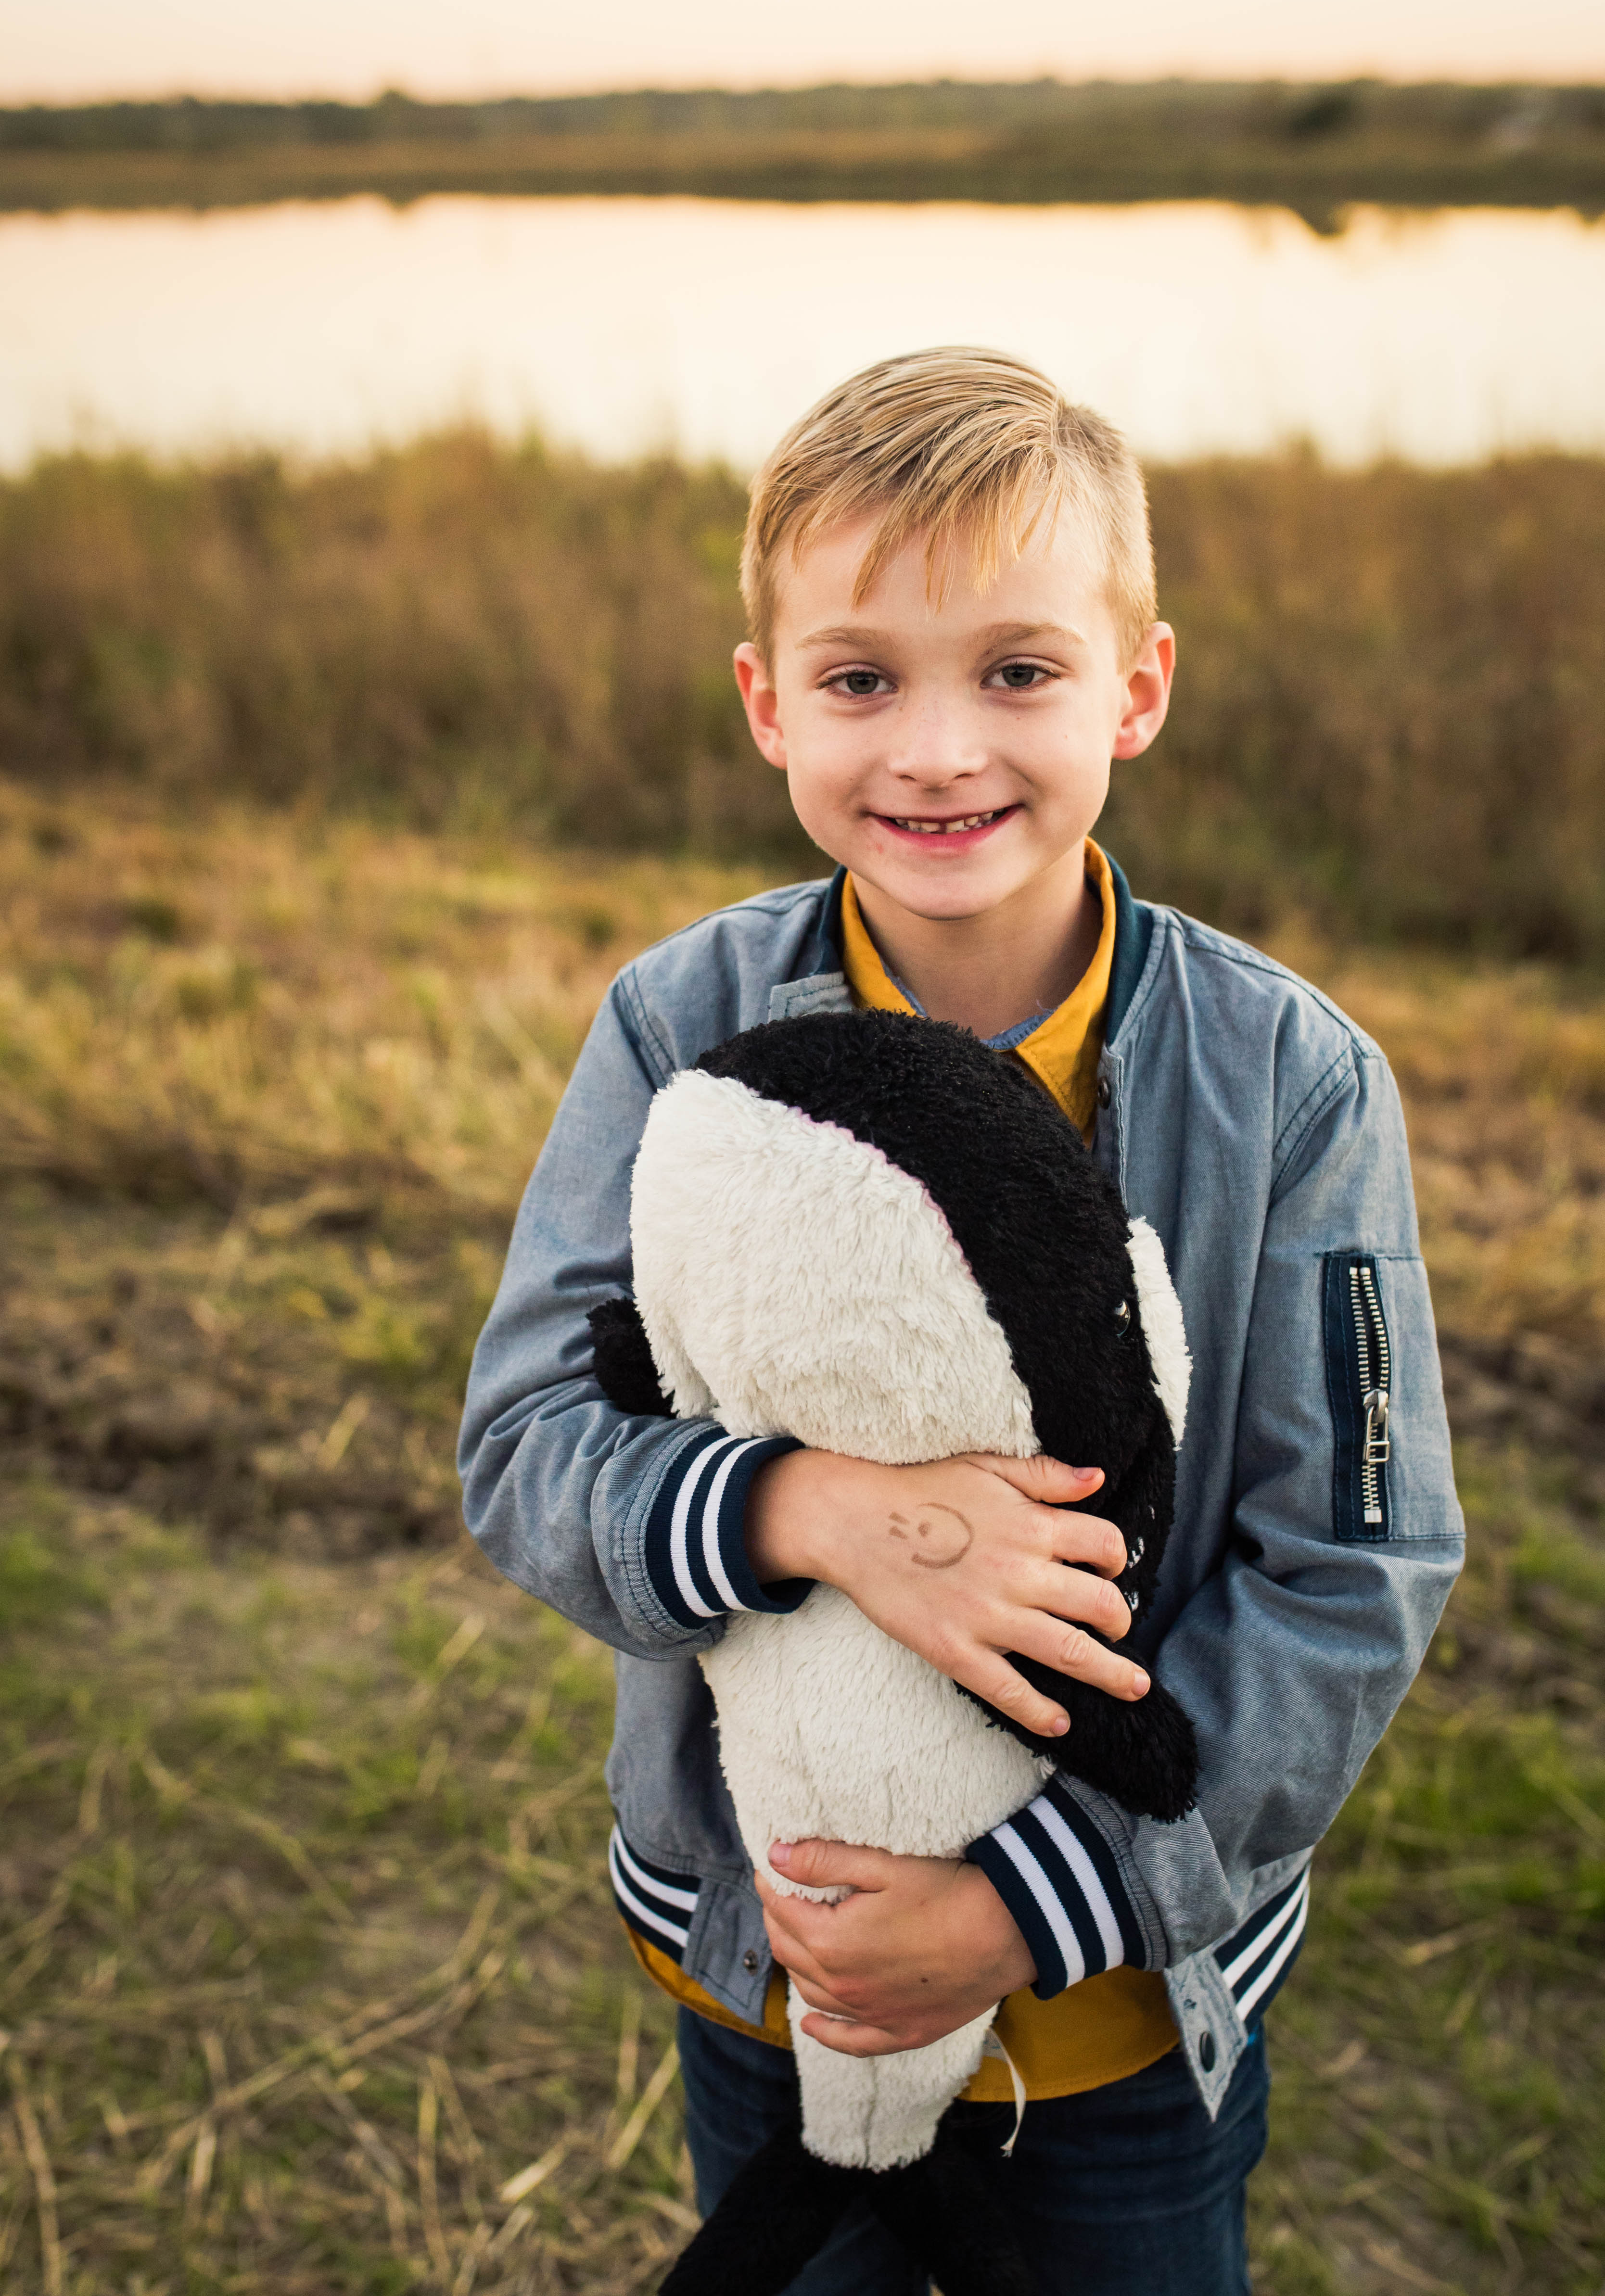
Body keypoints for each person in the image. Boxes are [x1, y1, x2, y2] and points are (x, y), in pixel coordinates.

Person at [458, 347, 1463, 2293]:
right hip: (789, 1966)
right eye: (860, 679)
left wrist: (1022, 1907)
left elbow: (1360, 1563)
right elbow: (525, 1446)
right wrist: (809, 1510)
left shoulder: (1294, 1083)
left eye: (1016, 671)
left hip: (1121, 2013)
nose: (935, 751)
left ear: (1136, 689)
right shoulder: (678, 1029)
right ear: (767, 701)